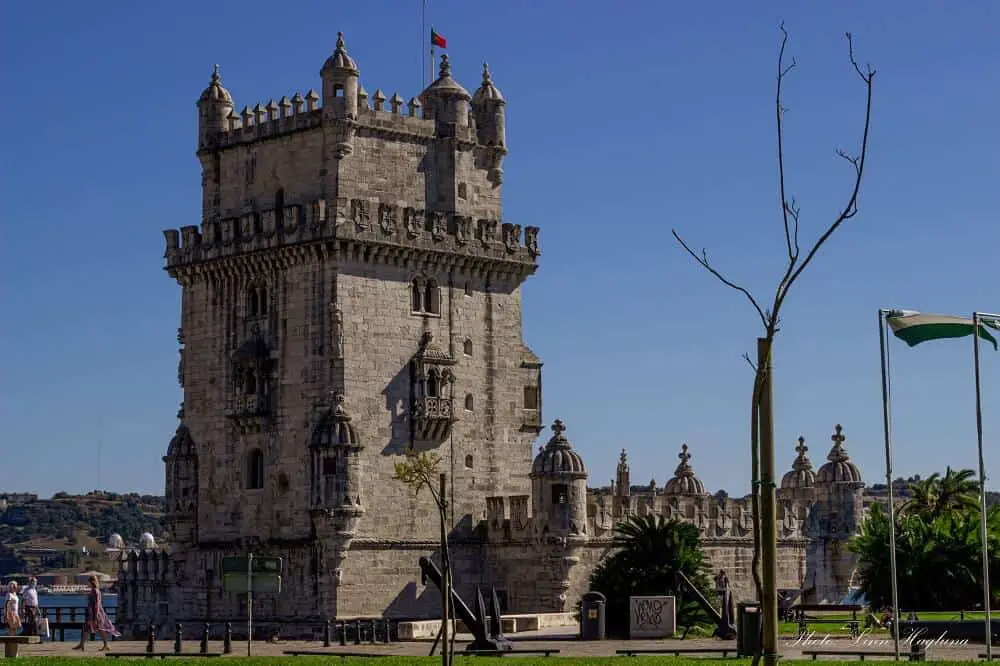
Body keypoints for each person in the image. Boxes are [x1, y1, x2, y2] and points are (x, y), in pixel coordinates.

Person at [73, 575, 119, 652]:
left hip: (95, 612)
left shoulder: (95, 591)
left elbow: (97, 603)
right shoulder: (94, 590)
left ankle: (105, 645)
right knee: (87, 628)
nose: (88, 584)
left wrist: (96, 614)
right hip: (92, 611)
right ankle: (82, 644)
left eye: (89, 582)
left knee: (99, 628)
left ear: (91, 582)